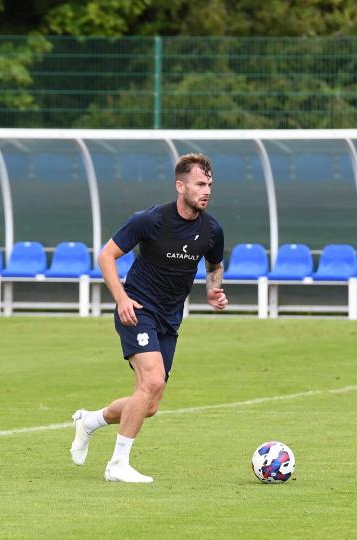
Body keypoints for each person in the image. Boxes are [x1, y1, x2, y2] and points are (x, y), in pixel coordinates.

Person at [69, 153, 227, 483]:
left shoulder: (212, 230)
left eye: (209, 184)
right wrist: (122, 298)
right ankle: (117, 465)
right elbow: (106, 256)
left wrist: (213, 290)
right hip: (137, 311)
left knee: (149, 404)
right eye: (200, 184)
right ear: (180, 185)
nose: (206, 191)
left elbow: (214, 266)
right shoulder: (151, 219)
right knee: (152, 381)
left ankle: (90, 421)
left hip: (170, 320)